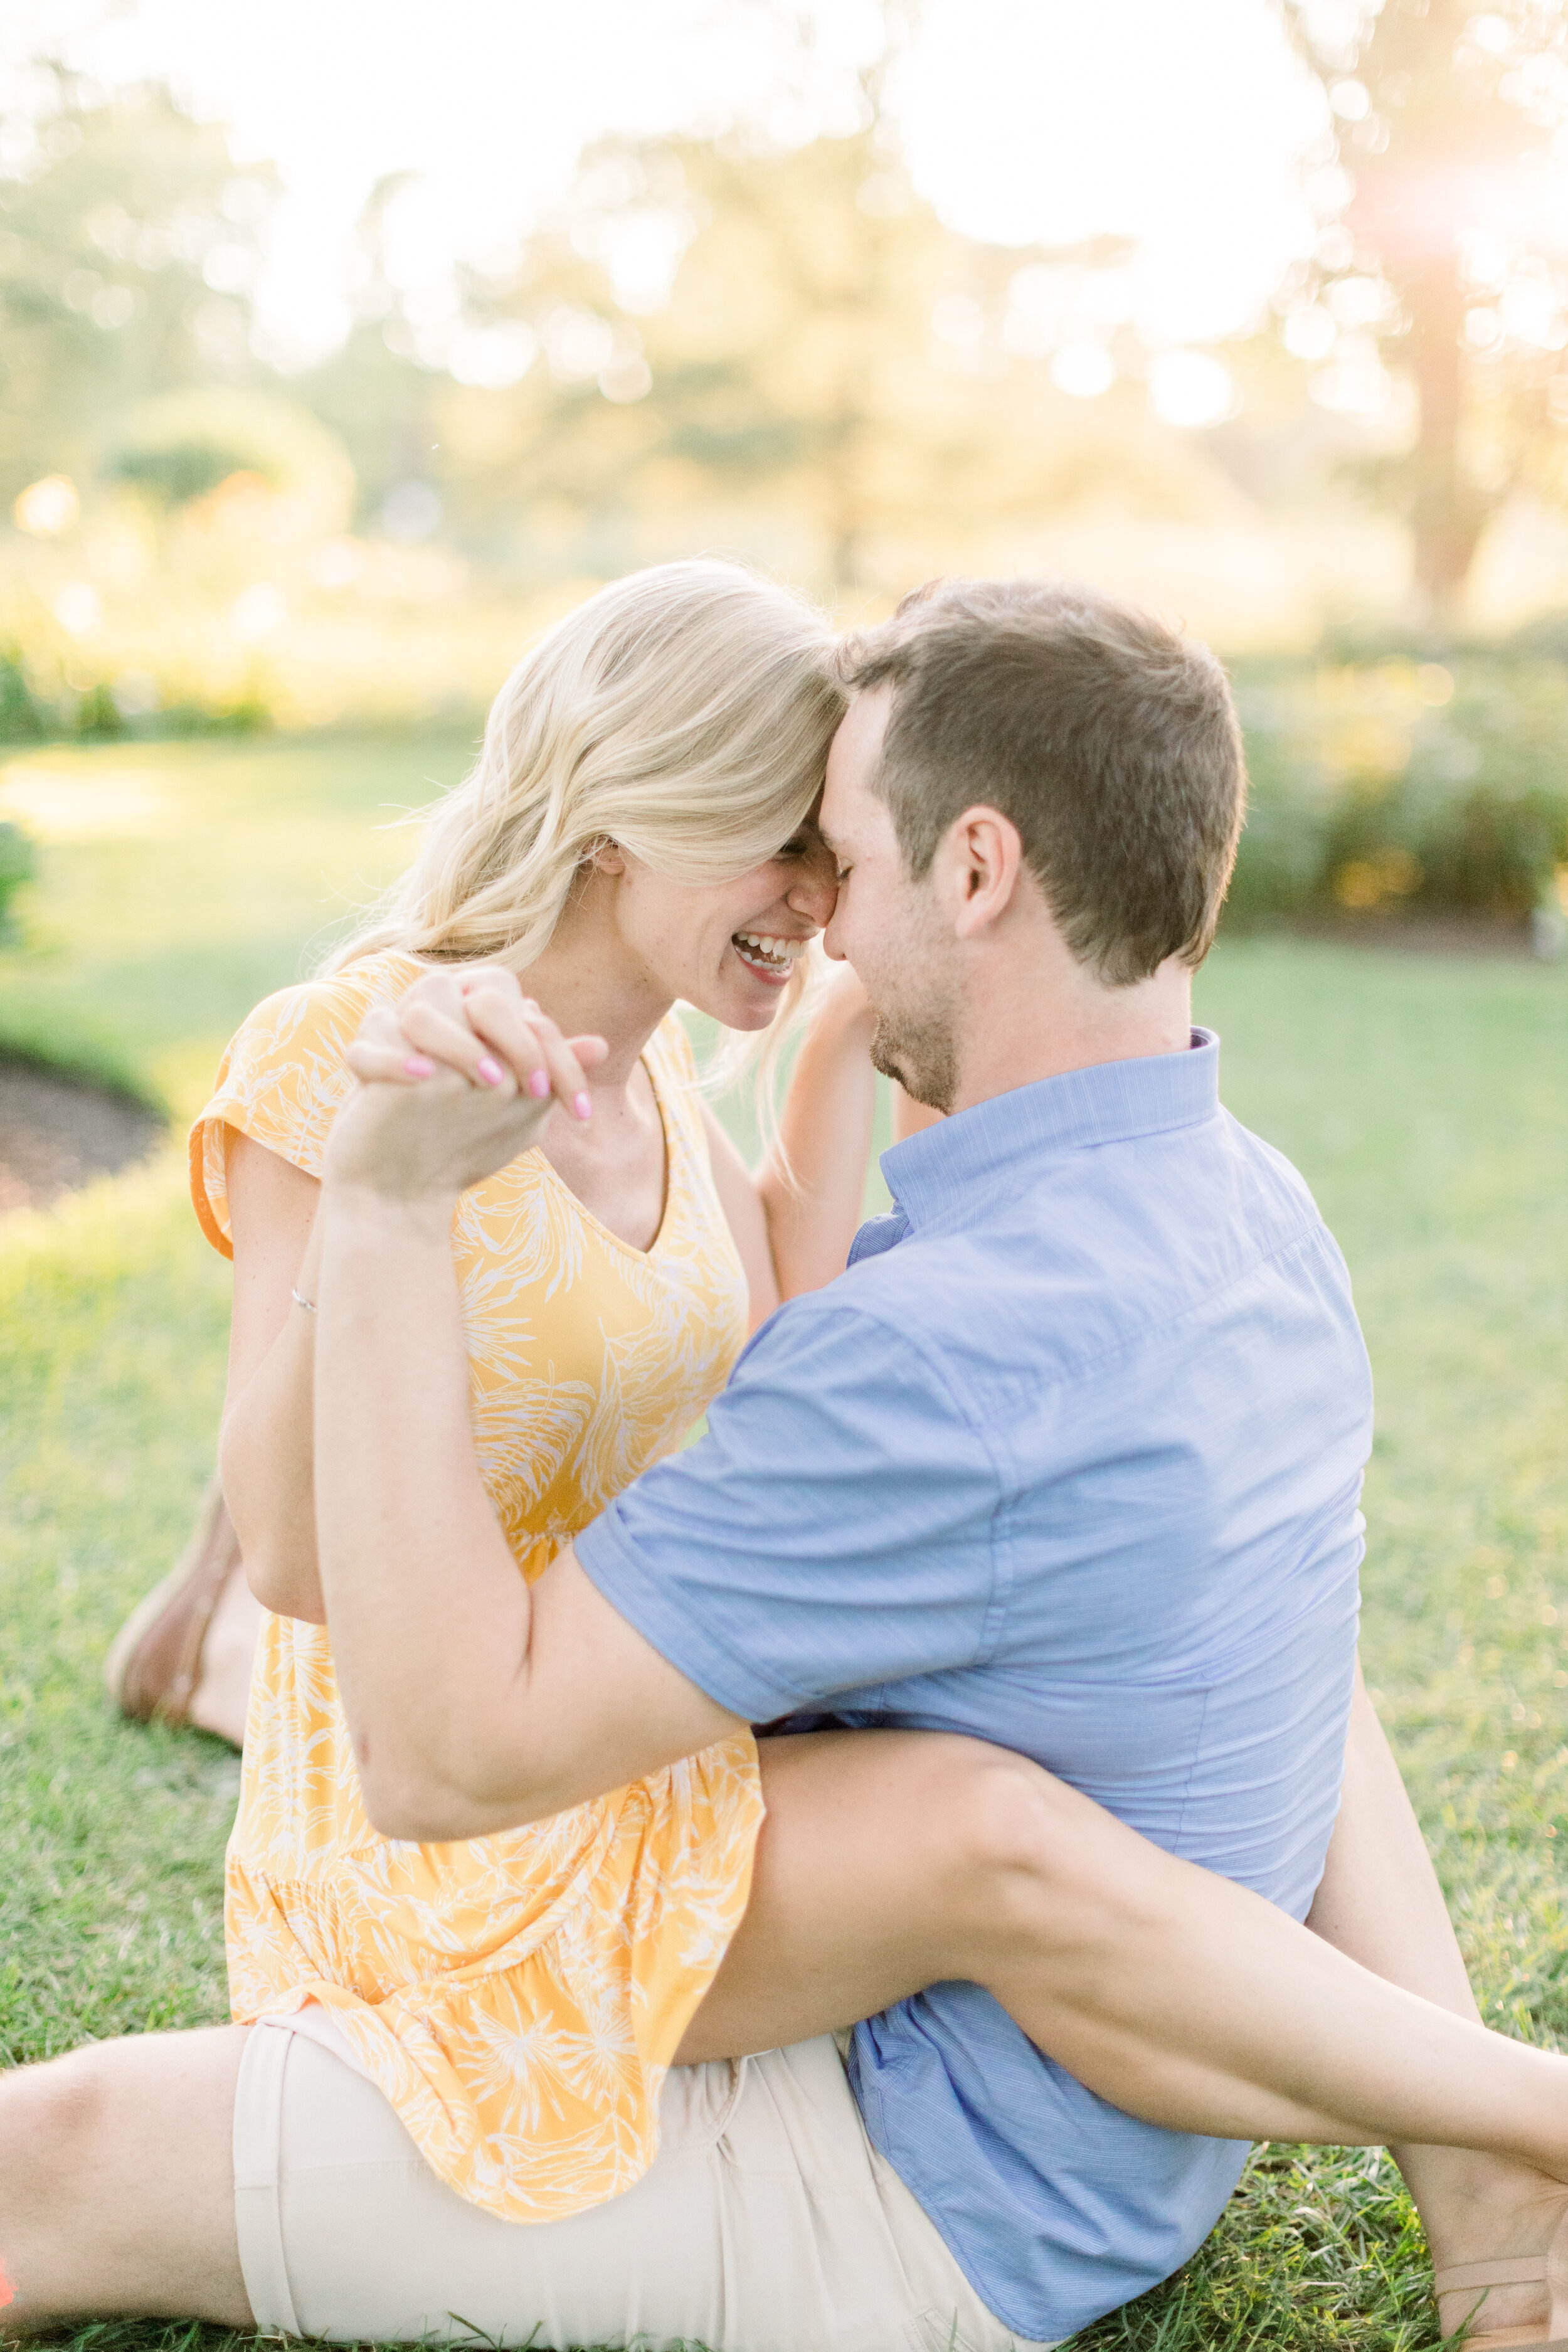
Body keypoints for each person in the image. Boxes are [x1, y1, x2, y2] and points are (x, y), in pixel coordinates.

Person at [4, 575, 1567, 2351]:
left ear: (968, 871)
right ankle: (202, 1658)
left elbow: (770, 1370)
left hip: (618, 1757)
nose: (825, 908)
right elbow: (325, 1574)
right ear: (630, 813)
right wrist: (394, 1202)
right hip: (491, 1770)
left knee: (961, 1821)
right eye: (785, 840)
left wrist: (825, 1093)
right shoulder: (374, 1053)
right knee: (950, 1822)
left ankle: (1508, 2140)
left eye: (845, 854)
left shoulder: (674, 1086)